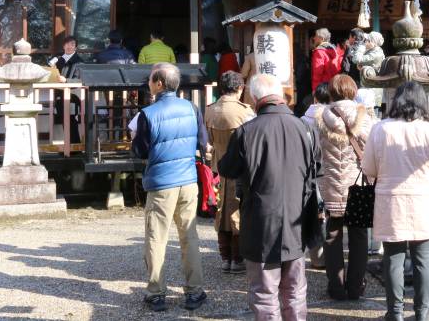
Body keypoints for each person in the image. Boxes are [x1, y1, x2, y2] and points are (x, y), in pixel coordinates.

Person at [218, 74, 319, 321]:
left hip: (260, 221)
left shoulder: (246, 131)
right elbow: (318, 170)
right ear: (280, 95)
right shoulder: (306, 129)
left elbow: (227, 169)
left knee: (264, 292)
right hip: (297, 219)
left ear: (254, 98)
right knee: (295, 290)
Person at [362, 81, 429, 321]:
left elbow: (369, 168)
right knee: (423, 259)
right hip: (422, 200)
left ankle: (395, 313)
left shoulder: (380, 129)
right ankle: (423, 312)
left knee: (393, 259)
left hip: (390, 201)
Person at [130, 63, 209, 312]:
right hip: (188, 180)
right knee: (190, 237)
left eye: (151, 79)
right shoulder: (192, 108)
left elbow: (140, 151)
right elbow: (202, 142)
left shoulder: (148, 114)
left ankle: (156, 293)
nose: (149, 83)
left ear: (159, 83)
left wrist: (134, 139)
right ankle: (195, 292)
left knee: (156, 238)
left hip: (161, 183)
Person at [316, 74, 374, 300]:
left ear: (331, 92)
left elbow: (316, 152)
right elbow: (372, 148)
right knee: (359, 235)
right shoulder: (364, 118)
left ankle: (336, 287)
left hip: (331, 184)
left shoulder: (321, 117)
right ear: (353, 91)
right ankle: (356, 287)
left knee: (332, 235)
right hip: (357, 183)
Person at [204, 70, 254, 274]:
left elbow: (209, 140)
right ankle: (237, 258)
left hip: (218, 167)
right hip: (240, 168)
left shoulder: (210, 110)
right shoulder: (245, 112)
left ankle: (225, 257)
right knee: (237, 211)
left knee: (221, 210)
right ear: (240, 88)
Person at [303, 83, 332, 269]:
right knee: (331, 215)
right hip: (333, 172)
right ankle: (330, 256)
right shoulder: (334, 119)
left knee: (316, 212)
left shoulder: (302, 120)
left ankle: (316, 257)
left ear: (314, 98)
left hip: (311, 173)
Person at [49, 36, 85, 142]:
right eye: (67, 44)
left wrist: (66, 80)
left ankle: (75, 147)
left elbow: (80, 80)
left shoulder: (79, 61)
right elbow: (50, 69)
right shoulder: (58, 58)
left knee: (71, 121)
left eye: (72, 44)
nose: (69, 46)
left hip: (73, 96)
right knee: (63, 121)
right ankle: (68, 146)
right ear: (63, 46)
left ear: (76, 47)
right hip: (59, 95)